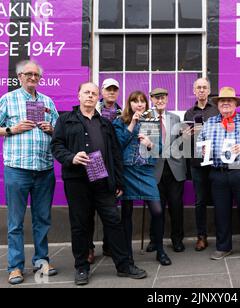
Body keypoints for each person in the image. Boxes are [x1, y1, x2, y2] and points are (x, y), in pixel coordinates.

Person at [51, 82, 147, 285]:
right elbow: (57, 146)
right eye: (86, 92)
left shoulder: (105, 124)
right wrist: (71, 157)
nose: (90, 96)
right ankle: (81, 268)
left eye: (94, 93)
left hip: (103, 181)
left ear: (98, 98)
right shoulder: (65, 120)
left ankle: (124, 265)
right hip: (77, 182)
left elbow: (114, 154)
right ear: (78, 95)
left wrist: (118, 181)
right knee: (80, 225)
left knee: (114, 222)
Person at [0, 60, 59, 285]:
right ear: (19, 76)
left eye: (36, 75)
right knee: (15, 222)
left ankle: (41, 262)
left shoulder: (47, 102)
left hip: (44, 170)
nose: (33, 78)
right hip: (17, 170)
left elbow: (61, 135)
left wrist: (52, 129)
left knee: (42, 219)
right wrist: (11, 129)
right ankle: (15, 267)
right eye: (29, 74)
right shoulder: (8, 99)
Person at [198, 87, 240, 260]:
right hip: (218, 173)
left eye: (229, 101)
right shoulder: (210, 122)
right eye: (222, 101)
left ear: (235, 104)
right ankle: (223, 247)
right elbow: (200, 145)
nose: (226, 103)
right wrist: (203, 149)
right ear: (218, 105)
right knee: (221, 211)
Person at [113, 91, 172, 266]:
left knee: (157, 210)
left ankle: (160, 250)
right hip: (127, 171)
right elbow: (118, 144)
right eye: (135, 101)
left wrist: (150, 144)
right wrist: (132, 124)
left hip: (146, 172)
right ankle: (127, 254)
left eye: (142, 102)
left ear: (146, 105)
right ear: (129, 104)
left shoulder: (151, 123)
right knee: (127, 213)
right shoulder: (120, 122)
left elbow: (159, 149)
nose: (139, 104)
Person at [145, 88, 187, 253]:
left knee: (176, 207)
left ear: (167, 99)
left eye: (162, 97)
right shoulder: (147, 118)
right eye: (156, 98)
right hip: (155, 170)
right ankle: (155, 240)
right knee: (156, 207)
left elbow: (180, 146)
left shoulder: (175, 118)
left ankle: (177, 240)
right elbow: (147, 146)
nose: (160, 100)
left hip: (174, 168)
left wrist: (184, 138)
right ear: (152, 100)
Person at [88, 78, 123, 263]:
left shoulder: (122, 112)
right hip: (92, 160)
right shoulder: (94, 108)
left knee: (111, 208)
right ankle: (88, 248)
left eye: (114, 90)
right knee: (88, 209)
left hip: (111, 163)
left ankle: (109, 246)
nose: (111, 92)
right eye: (108, 89)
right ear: (101, 91)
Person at [183, 78, 219, 251]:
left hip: (216, 161)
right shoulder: (189, 113)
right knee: (200, 201)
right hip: (197, 162)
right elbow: (184, 140)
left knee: (220, 199)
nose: (202, 90)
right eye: (199, 88)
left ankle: (221, 234)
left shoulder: (217, 110)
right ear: (194, 91)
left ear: (209, 90)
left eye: (205, 87)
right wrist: (187, 135)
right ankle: (201, 236)